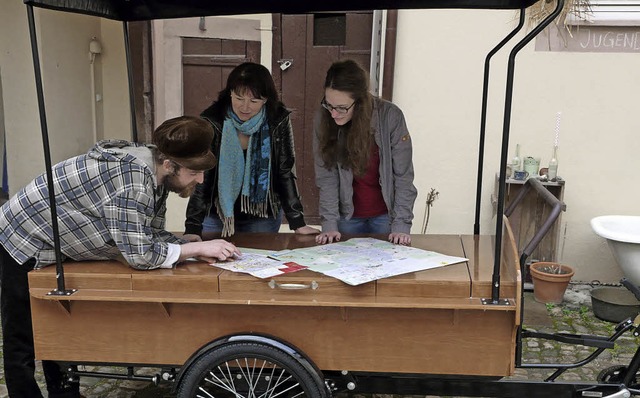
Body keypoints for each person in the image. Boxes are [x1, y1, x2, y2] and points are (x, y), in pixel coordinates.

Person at [0, 116, 240, 398]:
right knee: (24, 332)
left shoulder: (154, 171)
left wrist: (182, 243)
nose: (200, 179)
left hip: (61, 237)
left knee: (59, 317)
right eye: (194, 172)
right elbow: (140, 255)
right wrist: (196, 250)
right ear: (168, 164)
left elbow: (143, 231)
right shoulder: (134, 182)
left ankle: (64, 393)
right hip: (23, 237)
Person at [184, 62, 319, 239]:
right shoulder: (212, 121)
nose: (245, 107)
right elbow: (203, 175)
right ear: (229, 93)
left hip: (262, 215)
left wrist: (297, 222)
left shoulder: (277, 120)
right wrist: (193, 226)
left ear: (266, 100)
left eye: (254, 101)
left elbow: (285, 171)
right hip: (217, 215)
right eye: (239, 98)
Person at [313, 59, 417, 246]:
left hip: (386, 216)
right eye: (329, 105)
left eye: (342, 108)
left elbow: (403, 176)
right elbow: (326, 177)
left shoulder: (390, 117)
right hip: (347, 217)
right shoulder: (324, 118)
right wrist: (329, 223)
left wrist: (401, 225)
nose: (333, 114)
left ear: (360, 101)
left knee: (385, 271)